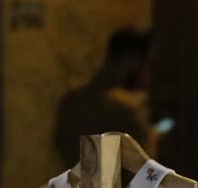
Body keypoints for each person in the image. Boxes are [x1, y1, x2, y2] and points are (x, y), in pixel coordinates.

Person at [54, 28, 156, 160]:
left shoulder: (71, 102)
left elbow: (62, 146)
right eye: (147, 65)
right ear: (130, 61)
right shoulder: (127, 108)